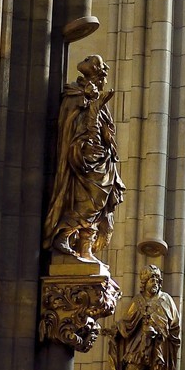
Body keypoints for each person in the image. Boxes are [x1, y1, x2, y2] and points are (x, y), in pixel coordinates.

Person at [43, 55, 125, 261]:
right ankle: (63, 234)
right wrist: (93, 107)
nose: (104, 77)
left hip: (101, 158)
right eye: (102, 73)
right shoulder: (75, 95)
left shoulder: (97, 97)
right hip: (83, 158)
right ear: (95, 75)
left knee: (101, 201)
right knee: (89, 200)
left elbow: (106, 128)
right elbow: (72, 125)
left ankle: (85, 247)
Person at [108, 264, 181, 370]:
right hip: (140, 341)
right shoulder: (138, 301)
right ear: (144, 282)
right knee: (132, 367)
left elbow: (175, 323)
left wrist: (163, 332)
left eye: (156, 279)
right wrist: (118, 328)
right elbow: (128, 322)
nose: (154, 282)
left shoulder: (166, 299)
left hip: (159, 341)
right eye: (151, 279)